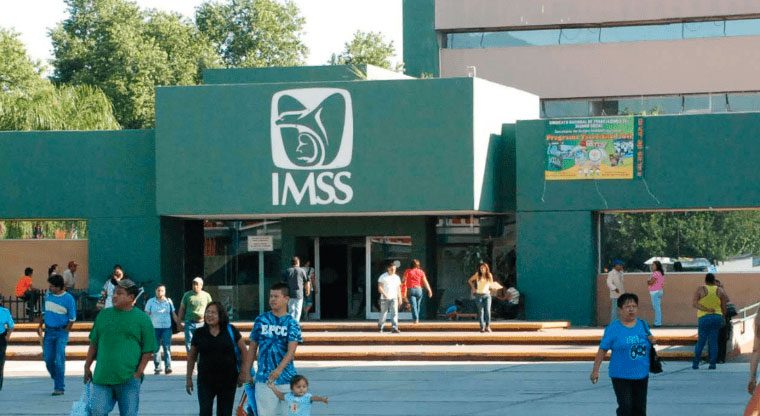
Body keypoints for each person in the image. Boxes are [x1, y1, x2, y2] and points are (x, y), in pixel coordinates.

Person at [84, 278, 156, 416]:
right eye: (114, 293)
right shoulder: (103, 315)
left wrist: (139, 373)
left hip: (128, 379)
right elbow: (94, 343)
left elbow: (148, 350)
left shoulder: (142, 319)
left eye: (119, 293)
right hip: (102, 377)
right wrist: (87, 366)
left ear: (131, 297)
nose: (114, 296)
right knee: (97, 411)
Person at [240, 282, 302, 416]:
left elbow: (291, 351)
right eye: (271, 296)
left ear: (286, 299)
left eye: (276, 296)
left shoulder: (292, 323)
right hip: (264, 380)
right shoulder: (261, 320)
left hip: (288, 380)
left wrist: (279, 370)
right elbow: (252, 348)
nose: (272, 299)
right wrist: (247, 371)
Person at [590, 293, 655, 416]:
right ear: (619, 310)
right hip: (621, 375)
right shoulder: (613, 328)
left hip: (641, 373)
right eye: (627, 307)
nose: (631, 309)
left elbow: (650, 339)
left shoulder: (642, 324)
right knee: (625, 406)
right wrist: (595, 370)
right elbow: (602, 350)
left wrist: (652, 340)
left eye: (634, 306)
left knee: (640, 408)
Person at [186, 301, 247, 416]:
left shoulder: (231, 330)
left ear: (221, 315)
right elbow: (191, 357)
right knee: (205, 411)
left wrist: (243, 373)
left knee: (225, 412)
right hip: (205, 381)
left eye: (213, 313)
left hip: (228, 380)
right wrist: (188, 378)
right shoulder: (199, 333)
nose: (209, 315)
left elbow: (244, 351)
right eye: (207, 312)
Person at [36, 274, 77, 395]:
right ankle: (57, 378)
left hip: (61, 331)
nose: (50, 288)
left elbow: (72, 318)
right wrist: (40, 326)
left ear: (59, 287)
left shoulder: (68, 298)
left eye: (52, 286)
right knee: (48, 358)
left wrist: (66, 330)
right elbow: (44, 312)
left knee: (59, 359)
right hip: (49, 331)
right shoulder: (48, 296)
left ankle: (59, 387)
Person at [691, 273, 728, 370]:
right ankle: (712, 364)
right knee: (713, 341)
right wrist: (723, 317)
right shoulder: (720, 290)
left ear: (705, 280)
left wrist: (706, 309)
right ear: (714, 280)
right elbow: (724, 307)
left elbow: (695, 304)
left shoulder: (701, 289)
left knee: (701, 341)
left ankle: (696, 363)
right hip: (717, 316)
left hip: (704, 317)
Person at [144, 284, 179, 375]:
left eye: (162, 290)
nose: (160, 292)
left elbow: (173, 313)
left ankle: (168, 367)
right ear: (155, 291)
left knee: (167, 347)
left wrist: (178, 323)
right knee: (156, 348)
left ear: (165, 292)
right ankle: (158, 368)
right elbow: (146, 314)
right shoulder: (150, 302)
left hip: (166, 327)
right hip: (154, 328)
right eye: (158, 290)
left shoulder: (168, 301)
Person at [178, 277, 213, 353]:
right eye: (193, 284)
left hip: (202, 323)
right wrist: (179, 321)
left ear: (201, 285)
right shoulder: (187, 295)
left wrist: (211, 322)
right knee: (189, 343)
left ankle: (200, 359)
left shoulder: (206, 295)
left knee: (202, 343)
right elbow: (182, 308)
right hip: (189, 323)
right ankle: (191, 359)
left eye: (197, 284)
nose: (195, 286)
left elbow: (211, 309)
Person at [401, 259, 433, 324]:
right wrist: (429, 290)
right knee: (418, 305)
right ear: (418, 265)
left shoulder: (408, 271)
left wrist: (402, 288)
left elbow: (403, 280)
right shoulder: (421, 272)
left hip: (411, 289)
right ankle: (417, 318)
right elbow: (425, 282)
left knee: (413, 305)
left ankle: (415, 319)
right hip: (419, 289)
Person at [468, 262, 494, 333]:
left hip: (487, 295)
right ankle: (482, 327)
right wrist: (473, 288)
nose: (482, 269)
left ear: (486, 269)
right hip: (479, 295)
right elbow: (470, 280)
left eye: (483, 268)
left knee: (487, 310)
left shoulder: (489, 275)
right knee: (480, 311)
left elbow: (491, 284)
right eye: (481, 268)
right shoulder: (477, 275)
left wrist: (493, 288)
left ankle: (488, 326)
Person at [377, 261, 402, 334]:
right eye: (392, 269)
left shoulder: (397, 277)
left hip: (394, 297)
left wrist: (400, 297)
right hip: (385, 298)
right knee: (383, 313)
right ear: (388, 268)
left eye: (395, 269)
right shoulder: (383, 276)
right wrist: (385, 294)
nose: (393, 271)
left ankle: (394, 327)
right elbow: (380, 287)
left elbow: (398, 288)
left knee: (394, 313)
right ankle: (380, 327)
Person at [285, 257, 310, 322]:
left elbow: (284, 282)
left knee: (291, 310)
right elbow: (307, 281)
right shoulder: (302, 271)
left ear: (291, 263)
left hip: (289, 293)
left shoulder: (288, 271)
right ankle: (296, 323)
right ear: (298, 262)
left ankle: (291, 323)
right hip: (299, 293)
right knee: (298, 310)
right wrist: (307, 290)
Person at [0, 301, 14, 391]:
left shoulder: (4, 311)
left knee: (0, 360)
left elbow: (11, 325)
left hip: (1, 337)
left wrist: (8, 335)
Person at [647, 260, 664, 327]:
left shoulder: (656, 273)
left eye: (653, 265)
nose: (652, 266)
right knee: (657, 307)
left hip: (655, 291)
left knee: (656, 307)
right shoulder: (660, 273)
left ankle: (658, 323)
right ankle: (658, 321)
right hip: (659, 291)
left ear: (657, 266)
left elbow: (650, 282)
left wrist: (648, 281)